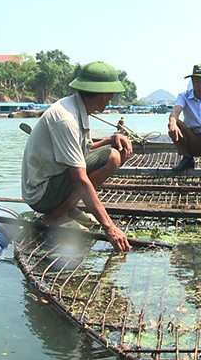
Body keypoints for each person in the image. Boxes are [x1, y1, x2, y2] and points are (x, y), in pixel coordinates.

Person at [21, 61, 133, 252]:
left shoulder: (78, 108)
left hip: (54, 178)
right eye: (111, 94)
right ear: (102, 93)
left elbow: (83, 150)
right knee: (112, 158)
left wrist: (111, 139)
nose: (111, 98)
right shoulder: (66, 119)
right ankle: (55, 216)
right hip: (40, 192)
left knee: (114, 152)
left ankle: (67, 209)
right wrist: (110, 227)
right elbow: (80, 179)